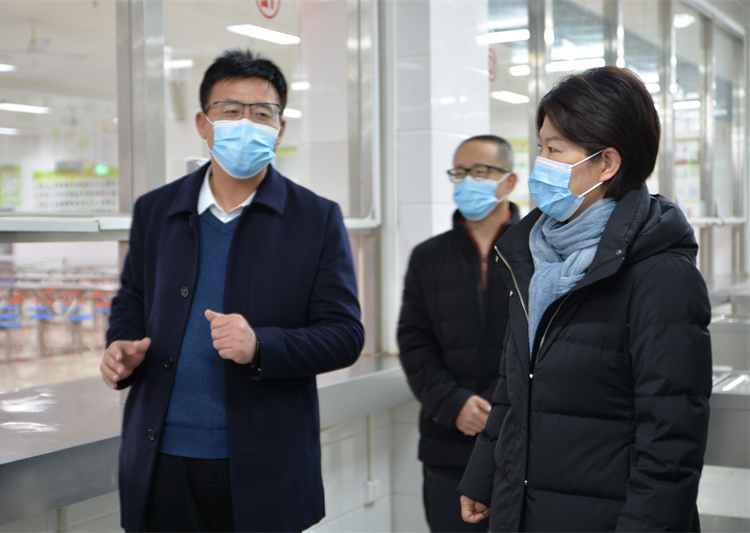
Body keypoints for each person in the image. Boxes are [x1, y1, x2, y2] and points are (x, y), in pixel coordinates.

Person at [99, 49, 364, 533]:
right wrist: (121, 345)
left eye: (262, 113)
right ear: (203, 124)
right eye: (230, 110)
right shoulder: (156, 210)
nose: (246, 123)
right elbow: (132, 298)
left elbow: (345, 335)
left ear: (280, 129)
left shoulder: (315, 218)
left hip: (264, 464)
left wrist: (262, 346)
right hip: (160, 458)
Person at [458, 66, 712, 531]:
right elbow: (515, 385)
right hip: (525, 509)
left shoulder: (661, 275)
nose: (541, 163)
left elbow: (670, 437)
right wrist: (483, 475)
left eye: (555, 150)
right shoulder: (533, 256)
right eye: (540, 148)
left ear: (607, 163)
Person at [398, 135, 519, 532]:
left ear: (509, 181)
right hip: (448, 445)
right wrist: (453, 405)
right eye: (460, 172)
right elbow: (414, 343)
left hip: (521, 445)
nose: (468, 180)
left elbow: (548, 346)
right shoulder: (428, 257)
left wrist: (498, 408)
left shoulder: (540, 252)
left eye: (481, 171)